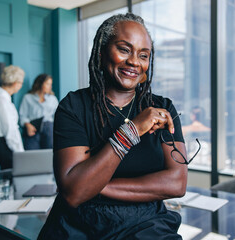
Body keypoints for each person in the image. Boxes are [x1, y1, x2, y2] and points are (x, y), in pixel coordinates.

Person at [38, 13, 187, 240]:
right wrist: (132, 130)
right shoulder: (74, 107)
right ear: (101, 53)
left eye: (143, 55)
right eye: (124, 50)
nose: (134, 62)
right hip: (79, 225)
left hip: (146, 224)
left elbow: (177, 183)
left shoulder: (162, 108)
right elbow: (75, 194)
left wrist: (94, 186)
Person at [0, 65, 25, 170]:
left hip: (0, 144)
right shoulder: (1, 101)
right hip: (6, 146)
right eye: (21, 83)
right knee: (12, 178)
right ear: (16, 83)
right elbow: (10, 131)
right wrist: (21, 154)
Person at [19, 74, 58, 150]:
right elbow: (23, 116)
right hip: (33, 128)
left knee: (50, 154)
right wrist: (27, 125)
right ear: (40, 84)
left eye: (51, 84)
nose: (50, 87)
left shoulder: (53, 99)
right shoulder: (27, 97)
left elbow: (57, 117)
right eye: (47, 84)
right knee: (31, 154)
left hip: (49, 129)